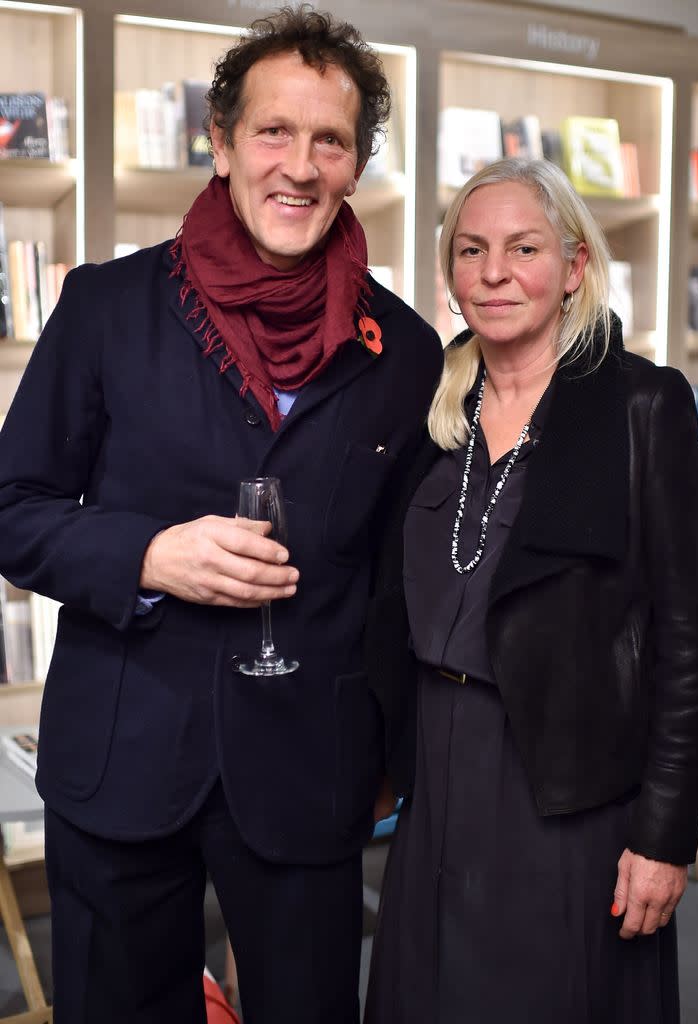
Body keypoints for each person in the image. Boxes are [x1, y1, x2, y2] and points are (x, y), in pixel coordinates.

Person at [0, 7, 442, 1023]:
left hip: (309, 773)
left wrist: (387, 757)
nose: (298, 165)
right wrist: (148, 553)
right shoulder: (106, 307)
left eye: (328, 139)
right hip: (121, 759)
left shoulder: (405, 350)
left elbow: (393, 582)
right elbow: (11, 508)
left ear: (356, 161)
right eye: (273, 132)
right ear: (223, 141)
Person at [364, 157, 698, 1024]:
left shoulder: (644, 406)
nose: (494, 273)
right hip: (433, 780)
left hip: (566, 792)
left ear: (573, 267)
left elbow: (693, 644)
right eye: (471, 250)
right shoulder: (429, 406)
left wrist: (664, 838)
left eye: (524, 249)